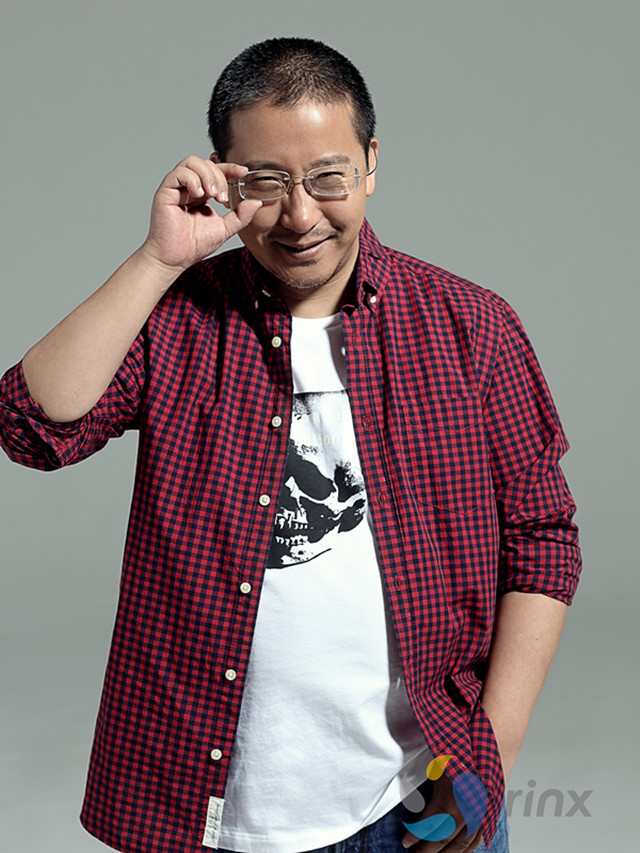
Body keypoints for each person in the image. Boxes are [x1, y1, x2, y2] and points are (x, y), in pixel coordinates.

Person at [0, 37, 581, 853]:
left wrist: (491, 756)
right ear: (223, 178)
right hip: (208, 812)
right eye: (267, 184)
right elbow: (31, 425)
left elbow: (541, 540)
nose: (301, 216)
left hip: (415, 792)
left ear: (371, 163)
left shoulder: (470, 327)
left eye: (329, 178)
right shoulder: (176, 320)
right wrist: (157, 259)